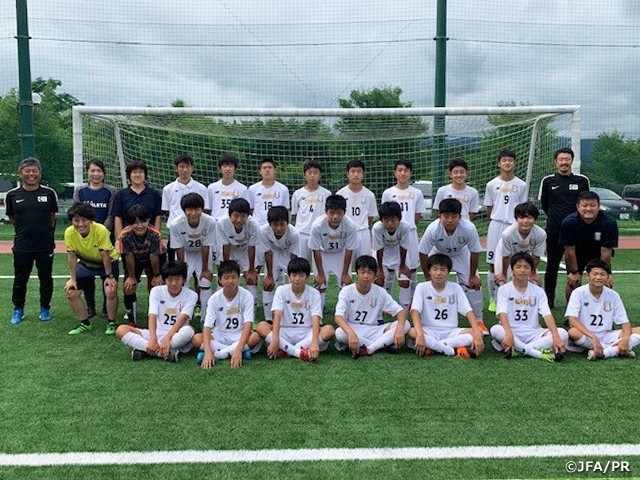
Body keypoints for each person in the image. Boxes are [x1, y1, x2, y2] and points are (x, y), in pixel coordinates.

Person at [418, 198, 486, 334]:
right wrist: (427, 276)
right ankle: (430, 318)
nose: (450, 220)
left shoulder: (469, 228)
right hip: (438, 253)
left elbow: (475, 252)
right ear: (439, 216)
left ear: (460, 217)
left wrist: (472, 276)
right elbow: (423, 253)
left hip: (461, 254)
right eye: (446, 216)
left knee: (474, 286)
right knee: (433, 286)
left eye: (454, 216)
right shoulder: (433, 229)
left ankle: (479, 320)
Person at [6, 157, 58, 324]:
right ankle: (18, 309)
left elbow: (52, 216)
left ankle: (45, 308)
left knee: (46, 278)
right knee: (20, 279)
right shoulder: (12, 195)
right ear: (20, 174)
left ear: (39, 173)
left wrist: (44, 233)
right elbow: (13, 218)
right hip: (22, 245)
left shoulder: (49, 193)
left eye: (34, 171)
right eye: (27, 171)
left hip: (45, 245)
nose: (31, 174)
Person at [490, 252, 568, 362]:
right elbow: (502, 314)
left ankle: (519, 349)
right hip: (512, 331)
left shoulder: (538, 291)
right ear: (512, 270)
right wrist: (509, 334)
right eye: (518, 267)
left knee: (563, 333)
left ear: (531, 270)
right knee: (495, 329)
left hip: (534, 332)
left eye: (526, 267)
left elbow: (547, 315)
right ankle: (536, 353)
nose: (522, 270)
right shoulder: (504, 289)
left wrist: (555, 336)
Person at [538, 147, 589, 308]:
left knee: (574, 268)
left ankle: (574, 302)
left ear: (572, 161)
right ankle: (548, 300)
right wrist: (556, 218)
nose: (564, 162)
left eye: (567, 159)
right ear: (556, 162)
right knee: (552, 266)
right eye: (561, 159)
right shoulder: (548, 181)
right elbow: (545, 204)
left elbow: (586, 204)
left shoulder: (582, 181)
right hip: (554, 231)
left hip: (575, 232)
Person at [116, 260, 196, 362]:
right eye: (170, 280)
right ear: (164, 279)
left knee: (189, 330)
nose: (174, 283)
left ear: (184, 279)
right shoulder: (156, 291)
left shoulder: (191, 295)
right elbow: (152, 315)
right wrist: (153, 339)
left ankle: (145, 349)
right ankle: (162, 352)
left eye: (178, 279)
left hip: (175, 335)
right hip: (156, 332)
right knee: (121, 330)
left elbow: (183, 318)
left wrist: (167, 338)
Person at [256, 258, 334, 361]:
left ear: (307, 277)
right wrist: (275, 340)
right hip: (284, 331)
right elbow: (277, 315)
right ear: (289, 276)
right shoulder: (281, 290)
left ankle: (287, 349)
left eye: (301, 275)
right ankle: (299, 352)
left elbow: (316, 319)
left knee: (329, 330)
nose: (297, 279)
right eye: (294, 275)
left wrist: (314, 342)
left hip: (306, 332)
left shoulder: (314, 293)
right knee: (261, 326)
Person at [408, 254, 484, 358]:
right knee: (412, 331)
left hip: (451, 331)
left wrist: (477, 334)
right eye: (435, 269)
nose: (438, 273)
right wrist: (420, 334)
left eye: (443, 270)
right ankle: (452, 349)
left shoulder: (455, 287)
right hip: (429, 330)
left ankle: (434, 347)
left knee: (478, 332)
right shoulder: (422, 287)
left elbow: (468, 311)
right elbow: (415, 311)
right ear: (429, 271)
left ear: (448, 272)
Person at [192, 260, 263, 369]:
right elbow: (207, 327)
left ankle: (220, 354)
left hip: (240, 335)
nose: (230, 281)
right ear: (220, 280)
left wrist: (238, 349)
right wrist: (207, 351)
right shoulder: (214, 299)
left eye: (234, 277)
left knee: (256, 336)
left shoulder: (247, 296)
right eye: (226, 278)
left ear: (239, 278)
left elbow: (248, 325)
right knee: (196, 339)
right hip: (220, 335)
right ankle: (236, 351)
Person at [565, 259, 640, 361]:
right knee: (573, 332)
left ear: (608, 277)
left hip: (606, 334)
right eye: (595, 274)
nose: (598, 277)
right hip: (586, 335)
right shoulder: (578, 293)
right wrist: (593, 337)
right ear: (588, 276)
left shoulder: (613, 295)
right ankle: (617, 349)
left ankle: (605, 353)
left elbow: (625, 322)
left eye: (602, 274)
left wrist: (625, 339)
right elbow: (572, 320)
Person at [334, 255, 408, 358]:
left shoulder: (380, 292)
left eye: (370, 272)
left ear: (375, 275)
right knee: (339, 333)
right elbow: (338, 317)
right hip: (353, 328)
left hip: (374, 329)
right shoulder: (346, 291)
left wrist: (399, 329)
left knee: (405, 324)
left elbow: (401, 312)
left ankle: (369, 348)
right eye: (362, 272)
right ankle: (382, 345)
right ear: (357, 274)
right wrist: (351, 333)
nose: (366, 276)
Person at [63, 203, 119, 335]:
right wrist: (72, 279)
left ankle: (111, 322)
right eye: (76, 220)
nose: (80, 224)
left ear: (91, 220)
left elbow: (105, 254)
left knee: (110, 290)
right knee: (71, 292)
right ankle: (85, 323)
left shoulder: (101, 230)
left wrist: (109, 276)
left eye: (84, 220)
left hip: (107, 263)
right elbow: (72, 256)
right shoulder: (69, 232)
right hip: (85, 263)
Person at [73, 159, 118, 319]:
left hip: (105, 238)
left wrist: (101, 232)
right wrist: (87, 231)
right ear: (88, 172)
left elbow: (111, 214)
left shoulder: (111, 191)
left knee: (107, 274)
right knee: (86, 276)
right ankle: (90, 307)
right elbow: (76, 212)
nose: (96, 174)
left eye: (99, 171)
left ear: (103, 173)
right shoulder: (80, 191)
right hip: (85, 240)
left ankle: (106, 308)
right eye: (92, 171)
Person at [484, 149, 527, 312]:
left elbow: (523, 208)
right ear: (499, 164)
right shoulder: (491, 184)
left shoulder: (521, 185)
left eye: (510, 160)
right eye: (504, 160)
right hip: (496, 225)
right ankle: (493, 299)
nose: (507, 163)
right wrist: (498, 217)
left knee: (516, 261)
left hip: (514, 226)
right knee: (492, 263)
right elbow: (489, 209)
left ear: (515, 163)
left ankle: (513, 296)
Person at [559, 190, 618, 301]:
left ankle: (602, 309)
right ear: (578, 207)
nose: (589, 209)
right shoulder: (568, 223)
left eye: (592, 205)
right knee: (573, 282)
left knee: (605, 282)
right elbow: (569, 250)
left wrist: (605, 273)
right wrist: (574, 272)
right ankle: (571, 309)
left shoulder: (609, 223)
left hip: (598, 254)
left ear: (599, 206)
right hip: (577, 255)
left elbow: (606, 251)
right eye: (584, 205)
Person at [170, 192, 217, 321]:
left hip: (202, 253)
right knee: (182, 282)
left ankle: (206, 319)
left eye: (197, 209)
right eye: (189, 209)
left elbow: (206, 246)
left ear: (202, 209)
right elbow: (179, 248)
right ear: (184, 210)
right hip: (185, 253)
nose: (193, 213)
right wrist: (182, 270)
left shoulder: (210, 222)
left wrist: (205, 269)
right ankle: (183, 319)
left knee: (205, 282)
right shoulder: (175, 224)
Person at [118, 205, 167, 326]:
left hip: (155, 258)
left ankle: (158, 313)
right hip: (134, 259)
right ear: (129, 223)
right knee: (129, 287)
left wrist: (156, 275)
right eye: (135, 223)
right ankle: (132, 319)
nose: (139, 226)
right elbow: (129, 256)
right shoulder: (124, 235)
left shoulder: (155, 234)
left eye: (143, 221)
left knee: (157, 286)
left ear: (148, 220)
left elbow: (154, 255)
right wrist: (131, 277)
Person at [308, 194, 358, 311]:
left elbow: (349, 249)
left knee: (345, 285)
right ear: (326, 212)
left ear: (344, 212)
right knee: (320, 285)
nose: (335, 217)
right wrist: (320, 274)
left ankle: (344, 314)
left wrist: (345, 273)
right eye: (332, 213)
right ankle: (318, 314)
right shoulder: (317, 225)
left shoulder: (350, 225)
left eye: (339, 213)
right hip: (322, 254)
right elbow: (315, 249)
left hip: (340, 254)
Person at [371, 201, 419, 314]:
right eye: (386, 220)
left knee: (404, 281)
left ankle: (404, 311)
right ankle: (383, 307)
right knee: (379, 281)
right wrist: (379, 269)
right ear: (380, 220)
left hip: (399, 254)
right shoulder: (377, 228)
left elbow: (404, 246)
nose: (390, 224)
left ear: (400, 218)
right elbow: (379, 248)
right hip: (382, 255)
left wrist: (402, 266)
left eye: (393, 220)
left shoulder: (405, 226)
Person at [161, 154, 210, 261]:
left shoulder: (201, 188)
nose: (185, 170)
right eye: (181, 167)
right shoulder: (168, 189)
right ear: (176, 168)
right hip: (175, 231)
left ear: (192, 168)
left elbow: (203, 210)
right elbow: (167, 210)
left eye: (188, 167)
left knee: (198, 261)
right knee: (175, 263)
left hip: (196, 230)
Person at [258, 206, 300, 322]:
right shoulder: (263, 231)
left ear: (288, 223)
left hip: (287, 254)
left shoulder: (294, 233)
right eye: (275, 224)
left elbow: (294, 256)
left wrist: (293, 275)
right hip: (273, 253)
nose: (279, 228)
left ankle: (291, 313)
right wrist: (269, 276)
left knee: (295, 283)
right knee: (268, 284)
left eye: (282, 224)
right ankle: (268, 318)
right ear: (269, 224)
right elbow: (268, 253)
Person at [217, 198, 261, 308]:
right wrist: (226, 268)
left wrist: (251, 270)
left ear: (248, 216)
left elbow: (252, 247)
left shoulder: (254, 224)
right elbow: (225, 246)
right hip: (230, 250)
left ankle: (252, 310)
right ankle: (222, 307)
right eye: (236, 216)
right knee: (225, 279)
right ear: (230, 215)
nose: (239, 220)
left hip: (246, 251)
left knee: (251, 279)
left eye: (243, 216)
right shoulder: (222, 223)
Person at [207, 153, 249, 265]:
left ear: (235, 169)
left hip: (234, 226)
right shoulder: (212, 187)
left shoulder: (242, 189)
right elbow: (209, 208)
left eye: (230, 166)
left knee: (234, 256)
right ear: (220, 168)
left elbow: (245, 210)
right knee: (219, 259)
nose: (227, 169)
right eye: (225, 166)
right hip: (217, 226)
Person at [494, 201, 546, 287]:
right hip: (506, 255)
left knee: (534, 283)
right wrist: (503, 274)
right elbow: (506, 256)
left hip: (527, 256)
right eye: (521, 217)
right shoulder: (507, 234)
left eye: (529, 217)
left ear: (535, 219)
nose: (525, 221)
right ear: (516, 219)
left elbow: (536, 256)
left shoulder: (541, 234)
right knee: (502, 282)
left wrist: (533, 273)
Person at [291, 159, 332, 263]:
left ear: (320, 175)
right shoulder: (297, 194)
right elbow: (295, 215)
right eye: (309, 172)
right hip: (302, 234)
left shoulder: (327, 194)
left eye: (315, 172)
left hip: (320, 233)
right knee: (301, 264)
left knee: (320, 265)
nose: (312, 175)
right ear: (304, 175)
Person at [112, 161, 163, 243]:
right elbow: (118, 216)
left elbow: (158, 215)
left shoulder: (154, 194)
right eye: (134, 172)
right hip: (128, 237)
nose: (138, 175)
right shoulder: (121, 194)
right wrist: (120, 236)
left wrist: (156, 234)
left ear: (145, 174)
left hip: (149, 237)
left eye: (141, 172)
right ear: (129, 175)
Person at [336, 160, 378, 258]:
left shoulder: (370, 195)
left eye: (359, 171)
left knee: (365, 262)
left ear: (363, 174)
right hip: (345, 232)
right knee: (345, 263)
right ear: (348, 174)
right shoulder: (340, 194)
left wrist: (361, 225)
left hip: (363, 233)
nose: (356, 174)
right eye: (353, 171)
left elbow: (370, 217)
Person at [381, 158, 425, 229]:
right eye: (400, 170)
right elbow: (384, 213)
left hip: (410, 230)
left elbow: (417, 214)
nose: (403, 173)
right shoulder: (388, 193)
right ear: (395, 173)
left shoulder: (417, 193)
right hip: (393, 230)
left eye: (406, 171)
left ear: (410, 173)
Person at [247, 157, 290, 226]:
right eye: (264, 168)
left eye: (270, 167)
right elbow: (250, 209)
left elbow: (285, 210)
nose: (267, 170)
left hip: (276, 226)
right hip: (258, 225)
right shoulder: (252, 189)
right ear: (260, 171)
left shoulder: (283, 189)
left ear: (275, 170)